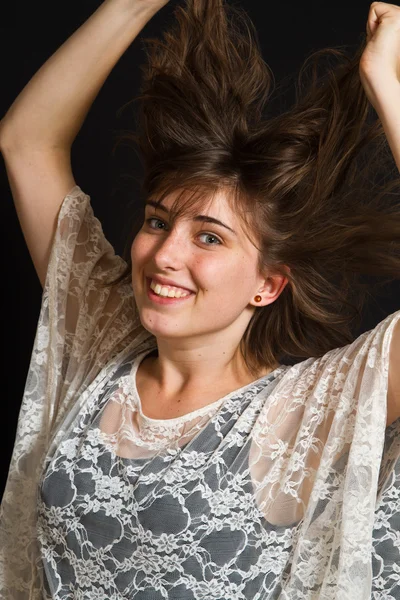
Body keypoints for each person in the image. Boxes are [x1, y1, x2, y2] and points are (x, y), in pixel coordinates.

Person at [0, 0, 399, 597]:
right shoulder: (100, 344)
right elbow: (27, 142)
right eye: (158, 222)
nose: (165, 255)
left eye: (209, 237)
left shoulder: (298, 414)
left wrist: (386, 83)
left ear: (268, 284)